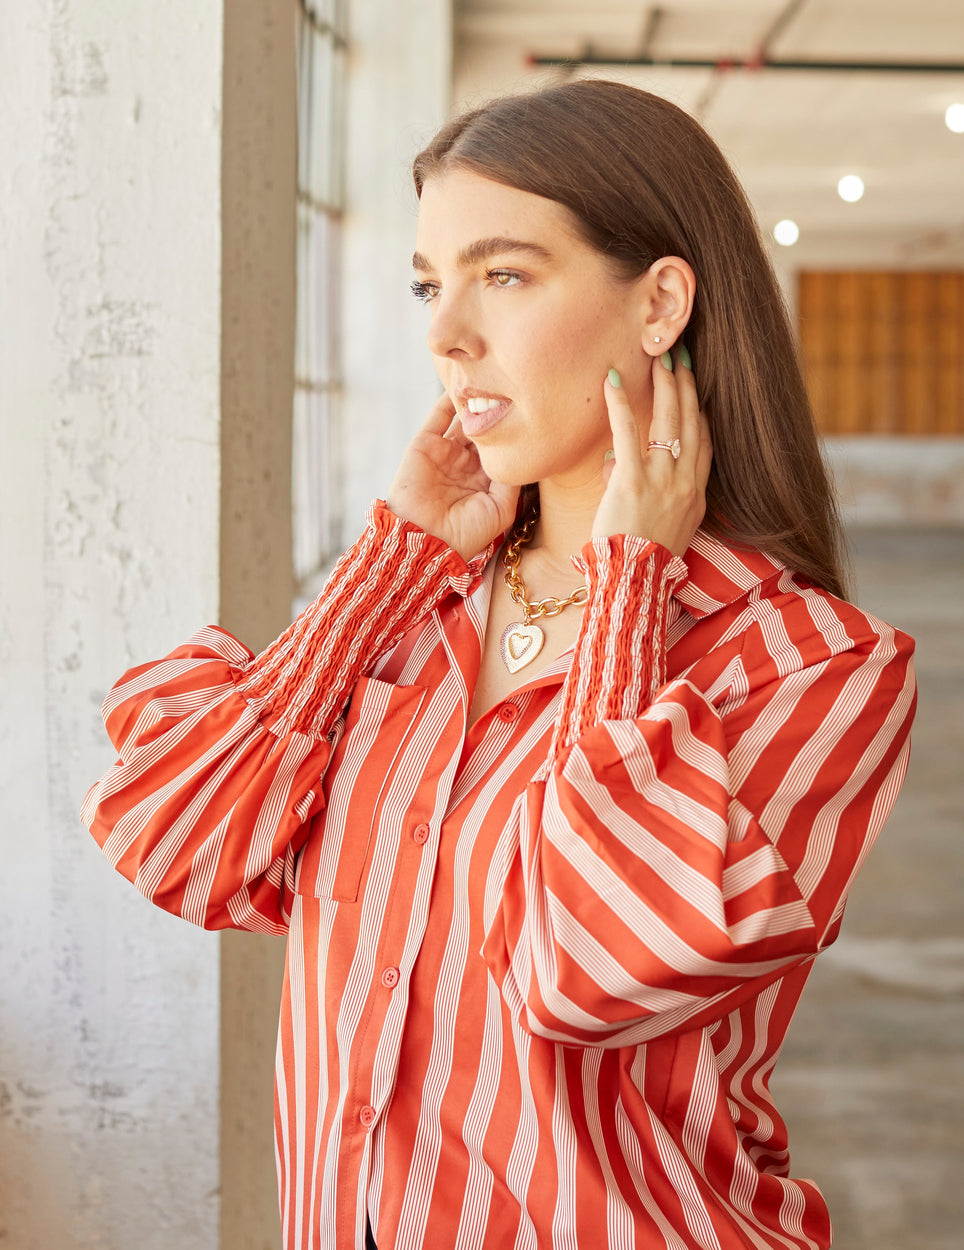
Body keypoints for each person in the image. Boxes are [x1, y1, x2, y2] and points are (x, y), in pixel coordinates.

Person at [82, 80, 916, 1250]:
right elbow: (180, 843)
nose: (443, 334)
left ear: (660, 303)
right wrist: (387, 566)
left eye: (505, 274)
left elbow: (586, 968)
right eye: (431, 282)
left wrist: (629, 594)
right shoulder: (411, 614)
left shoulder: (812, 670)